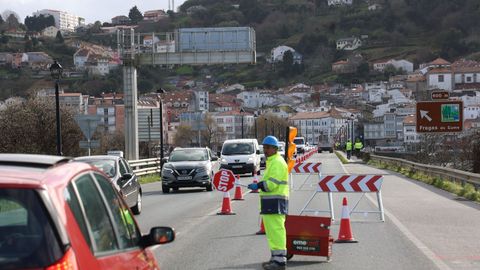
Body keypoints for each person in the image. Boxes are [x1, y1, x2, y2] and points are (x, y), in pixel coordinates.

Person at [247, 136, 289, 270]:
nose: (265, 150)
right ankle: (275, 258)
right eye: (264, 147)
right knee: (272, 232)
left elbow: (271, 184)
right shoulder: (272, 161)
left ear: (275, 148)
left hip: (276, 202)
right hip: (271, 202)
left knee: (276, 231)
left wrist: (258, 185)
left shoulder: (277, 162)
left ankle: (280, 261)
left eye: (268, 147)